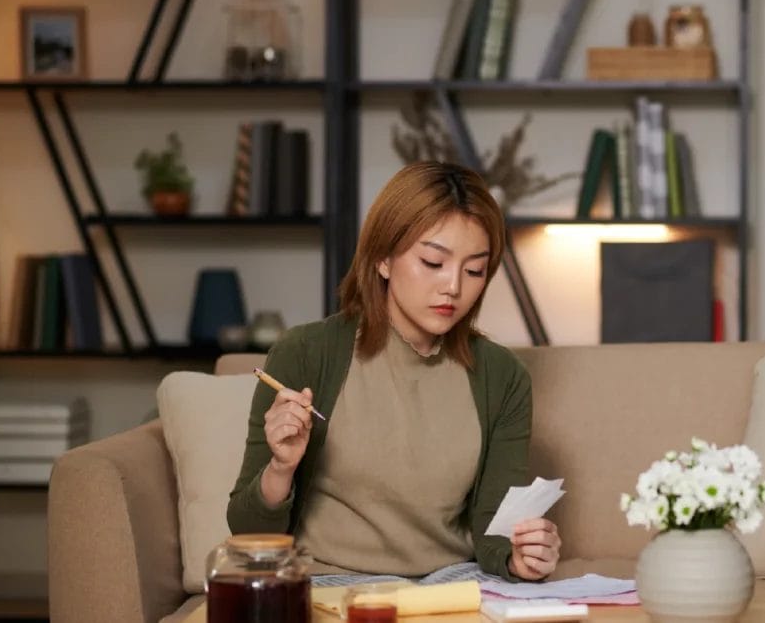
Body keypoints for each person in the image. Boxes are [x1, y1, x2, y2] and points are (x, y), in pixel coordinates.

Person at [227, 161, 561, 582]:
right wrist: (280, 468)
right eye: (433, 262)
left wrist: (521, 557)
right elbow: (247, 531)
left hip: (452, 584)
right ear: (383, 258)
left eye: (474, 270)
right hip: (332, 584)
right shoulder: (307, 353)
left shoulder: (502, 376)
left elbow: (494, 532)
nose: (454, 287)